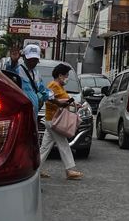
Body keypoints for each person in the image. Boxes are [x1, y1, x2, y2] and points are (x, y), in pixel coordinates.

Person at [5, 43, 77, 177]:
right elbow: (9, 73)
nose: (32, 62)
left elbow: (43, 92)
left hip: (34, 112)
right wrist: (13, 61)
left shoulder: (36, 74)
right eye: (30, 59)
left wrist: (57, 101)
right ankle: (19, 169)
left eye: (35, 60)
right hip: (21, 112)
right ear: (24, 58)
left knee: (38, 144)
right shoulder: (18, 69)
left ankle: (34, 168)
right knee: (23, 141)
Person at [39, 63, 83, 180]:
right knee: (63, 144)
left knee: (45, 147)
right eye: (66, 75)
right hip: (54, 120)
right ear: (60, 75)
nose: (67, 78)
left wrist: (72, 104)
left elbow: (60, 100)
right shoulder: (53, 86)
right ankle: (69, 170)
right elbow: (49, 101)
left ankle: (36, 169)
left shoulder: (57, 86)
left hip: (52, 120)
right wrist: (65, 102)